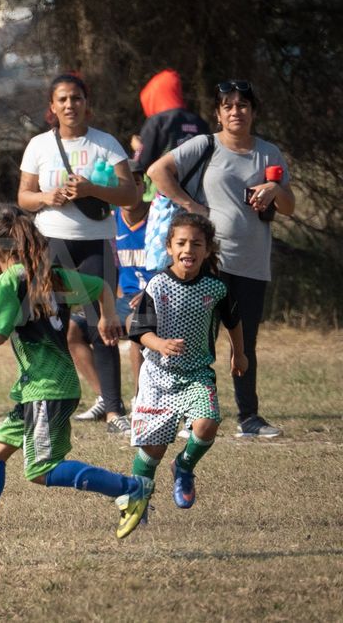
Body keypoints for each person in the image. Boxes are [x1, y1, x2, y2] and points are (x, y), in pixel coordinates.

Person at [0, 204, 152, 557]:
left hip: (48, 389)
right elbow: (103, 287)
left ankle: (130, 488)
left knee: (42, 469)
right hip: (40, 388)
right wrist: (106, 318)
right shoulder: (53, 274)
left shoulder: (8, 282)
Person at [146, 80, 294, 438]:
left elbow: (288, 208)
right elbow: (156, 171)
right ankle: (184, 414)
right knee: (193, 338)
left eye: (242, 105)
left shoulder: (269, 153)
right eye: (227, 106)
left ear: (253, 112)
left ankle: (250, 419)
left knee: (246, 342)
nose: (235, 112)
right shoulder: (205, 144)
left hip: (253, 262)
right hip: (208, 262)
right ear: (218, 113)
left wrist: (275, 189)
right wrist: (191, 206)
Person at [17, 73, 137, 434]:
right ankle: (49, 403)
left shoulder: (106, 144)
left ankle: (115, 412)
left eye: (77, 98)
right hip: (51, 245)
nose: (71, 105)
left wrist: (92, 188)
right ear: (52, 107)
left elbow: (131, 195)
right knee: (50, 326)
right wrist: (45, 198)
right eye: (63, 100)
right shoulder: (39, 145)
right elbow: (23, 197)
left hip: (95, 243)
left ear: (87, 104)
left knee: (105, 326)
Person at [127, 213, 246, 511]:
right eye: (181, 243)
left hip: (197, 374)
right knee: (153, 448)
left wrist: (239, 352)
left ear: (207, 250)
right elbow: (139, 331)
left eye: (196, 244)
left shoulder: (216, 288)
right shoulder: (156, 285)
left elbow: (233, 321)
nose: (188, 250)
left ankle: (183, 466)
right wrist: (161, 344)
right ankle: (138, 500)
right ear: (169, 247)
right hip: (157, 376)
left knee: (207, 424)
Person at [73, 158, 153, 422]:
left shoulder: (159, 218)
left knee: (136, 324)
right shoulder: (107, 222)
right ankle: (106, 399)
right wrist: (109, 305)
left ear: (143, 186)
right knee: (73, 329)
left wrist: (154, 288)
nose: (131, 187)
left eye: (136, 181)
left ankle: (143, 402)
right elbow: (108, 270)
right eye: (124, 181)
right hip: (121, 299)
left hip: (157, 297)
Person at [137, 69, 211, 270]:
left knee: (163, 263)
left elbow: (142, 162)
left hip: (165, 201)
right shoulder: (198, 122)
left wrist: (136, 148)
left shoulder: (157, 122)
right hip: (198, 202)